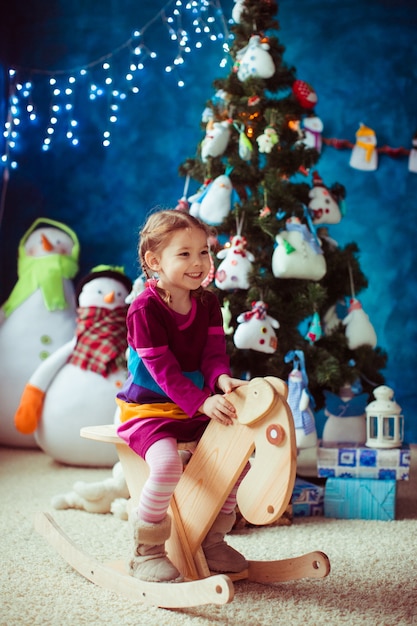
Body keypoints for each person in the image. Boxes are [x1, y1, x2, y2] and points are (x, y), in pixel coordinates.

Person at [116, 209, 250, 583]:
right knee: (167, 466)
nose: (198, 263)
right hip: (149, 409)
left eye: (204, 252)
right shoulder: (144, 309)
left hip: (194, 405)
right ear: (154, 261)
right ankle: (147, 551)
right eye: (185, 253)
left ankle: (212, 538)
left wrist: (221, 380)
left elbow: (212, 355)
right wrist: (201, 401)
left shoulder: (207, 304)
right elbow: (164, 371)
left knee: (237, 459)